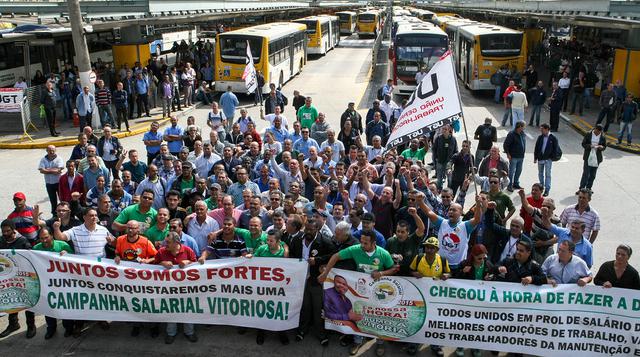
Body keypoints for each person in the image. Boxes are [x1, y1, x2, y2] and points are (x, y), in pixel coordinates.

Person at [317, 231, 396, 356]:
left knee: (378, 316)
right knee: (358, 315)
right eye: (361, 241)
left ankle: (380, 343)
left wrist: (381, 274)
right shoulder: (356, 249)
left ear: (374, 243)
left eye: (365, 243)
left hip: (377, 291)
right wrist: (325, 273)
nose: (362, 245)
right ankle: (357, 341)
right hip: (360, 290)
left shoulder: (383, 253)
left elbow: (394, 269)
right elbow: (336, 256)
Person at [409, 236, 451, 356]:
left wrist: (447, 276)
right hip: (419, 295)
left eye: (432, 248)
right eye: (427, 247)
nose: (429, 250)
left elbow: (448, 272)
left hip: (435, 298)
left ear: (437, 249)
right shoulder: (419, 258)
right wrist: (414, 273)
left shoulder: (442, 259)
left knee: (434, 321)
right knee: (417, 319)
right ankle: (414, 343)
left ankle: (435, 345)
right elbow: (410, 270)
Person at [154, 231, 198, 344]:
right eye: (165, 241)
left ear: (176, 242)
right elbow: (152, 266)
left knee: (188, 309)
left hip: (186, 288)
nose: (165, 244)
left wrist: (188, 262)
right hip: (168, 289)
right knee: (171, 309)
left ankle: (189, 332)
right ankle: (170, 333)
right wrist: (162, 263)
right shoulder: (161, 251)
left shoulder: (188, 250)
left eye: (168, 242)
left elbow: (197, 266)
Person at [0, 219, 36, 338]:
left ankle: (31, 326)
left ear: (13, 230)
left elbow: (30, 257)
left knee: (27, 301)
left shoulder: (22, 241)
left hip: (23, 277)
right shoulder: (1, 240)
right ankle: (13, 324)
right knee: (12, 300)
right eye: (3, 231)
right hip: (8, 277)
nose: (5, 234)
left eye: (7, 231)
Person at [533, 123, 560, 196]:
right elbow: (536, 148)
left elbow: (555, 149)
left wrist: (552, 157)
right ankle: (541, 187)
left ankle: (547, 189)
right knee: (540, 173)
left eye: (542, 129)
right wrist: (535, 158)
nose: (541, 131)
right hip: (540, 159)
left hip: (548, 159)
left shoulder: (553, 138)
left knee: (548, 174)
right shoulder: (540, 137)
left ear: (547, 129)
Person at [38, 145, 64, 215]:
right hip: (49, 183)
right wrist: (53, 170)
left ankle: (64, 213)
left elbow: (59, 170)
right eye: (50, 150)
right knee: (53, 201)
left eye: (53, 150)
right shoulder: (43, 159)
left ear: (55, 150)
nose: (52, 152)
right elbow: (41, 170)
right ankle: (54, 214)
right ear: (47, 151)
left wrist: (47, 170)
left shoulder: (59, 159)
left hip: (58, 183)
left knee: (62, 200)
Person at [579, 124, 606, 191]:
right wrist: (590, 146)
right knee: (586, 173)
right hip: (588, 156)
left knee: (593, 174)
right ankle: (582, 188)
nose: (598, 133)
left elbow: (604, 146)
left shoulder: (602, 136)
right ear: (595, 129)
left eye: (599, 132)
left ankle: (589, 188)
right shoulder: (588, 134)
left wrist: (601, 147)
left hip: (597, 157)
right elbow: (583, 144)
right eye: (597, 132)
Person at [503, 121, 526, 192]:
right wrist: (508, 154)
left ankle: (516, 183)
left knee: (519, 170)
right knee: (511, 171)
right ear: (519, 127)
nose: (524, 128)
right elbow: (506, 145)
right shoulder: (512, 134)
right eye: (523, 126)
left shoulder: (522, 134)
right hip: (514, 156)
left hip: (521, 156)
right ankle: (509, 185)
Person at [433, 125, 458, 190]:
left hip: (449, 163)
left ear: (449, 130)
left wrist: (453, 161)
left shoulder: (453, 139)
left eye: (445, 129)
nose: (444, 130)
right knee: (439, 178)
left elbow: (456, 151)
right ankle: (439, 189)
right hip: (440, 161)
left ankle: (449, 189)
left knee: (450, 178)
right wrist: (435, 158)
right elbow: (434, 149)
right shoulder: (438, 138)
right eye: (443, 129)